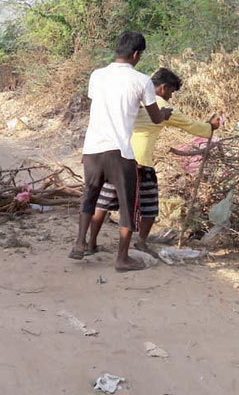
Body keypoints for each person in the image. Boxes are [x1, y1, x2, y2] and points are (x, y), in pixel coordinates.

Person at [86, 68, 221, 256]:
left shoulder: (134, 100)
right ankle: (139, 243)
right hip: (140, 161)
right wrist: (211, 127)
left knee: (104, 203)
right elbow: (191, 126)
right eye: (171, 92)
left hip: (115, 157)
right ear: (163, 88)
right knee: (148, 206)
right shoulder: (160, 106)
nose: (171, 97)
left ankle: (90, 243)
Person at [69, 30, 172, 272]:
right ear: (136, 54)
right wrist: (164, 114)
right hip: (121, 152)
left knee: (90, 196)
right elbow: (156, 117)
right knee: (128, 205)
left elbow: (101, 103)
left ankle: (80, 243)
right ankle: (122, 259)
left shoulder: (97, 75)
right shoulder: (142, 81)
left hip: (93, 149)